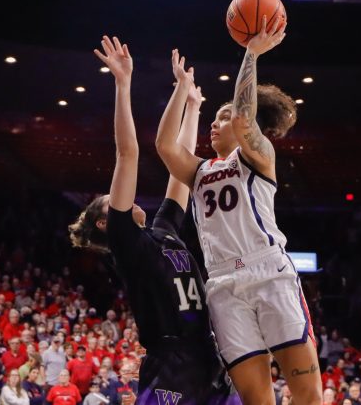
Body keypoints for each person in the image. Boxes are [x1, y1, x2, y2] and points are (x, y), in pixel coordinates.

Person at [156, 15, 322, 405]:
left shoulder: (259, 157)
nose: (215, 124)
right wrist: (182, 90)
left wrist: (250, 55)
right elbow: (165, 147)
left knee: (309, 395)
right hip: (223, 284)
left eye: (223, 117)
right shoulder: (198, 171)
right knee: (256, 399)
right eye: (213, 118)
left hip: (268, 272)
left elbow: (245, 117)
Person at [68, 35, 239, 404]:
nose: (120, 197)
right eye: (111, 201)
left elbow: (180, 171)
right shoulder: (126, 242)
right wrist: (122, 83)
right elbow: (127, 154)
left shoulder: (162, 230)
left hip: (207, 356)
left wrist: (190, 101)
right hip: (170, 362)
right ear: (105, 222)